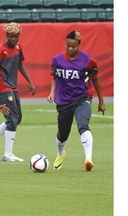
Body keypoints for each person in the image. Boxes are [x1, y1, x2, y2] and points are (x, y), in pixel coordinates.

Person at [47, 30, 106, 171]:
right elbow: (54, 77)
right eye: (68, 45)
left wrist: (101, 101)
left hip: (82, 98)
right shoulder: (57, 60)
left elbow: (96, 81)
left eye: (73, 46)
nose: (70, 49)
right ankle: (61, 153)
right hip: (63, 101)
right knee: (62, 135)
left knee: (83, 125)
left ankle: (88, 159)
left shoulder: (89, 60)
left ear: (79, 44)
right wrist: (52, 92)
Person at [0, 22, 36, 162]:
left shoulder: (18, 47)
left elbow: (20, 65)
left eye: (16, 36)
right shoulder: (0, 50)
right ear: (6, 35)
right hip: (0, 86)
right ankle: (7, 154)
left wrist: (30, 82)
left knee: (17, 119)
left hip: (11, 86)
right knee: (12, 118)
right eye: (11, 36)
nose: (14, 39)